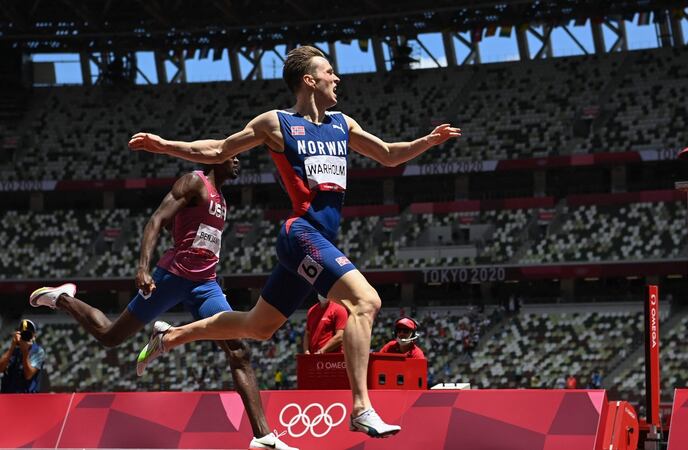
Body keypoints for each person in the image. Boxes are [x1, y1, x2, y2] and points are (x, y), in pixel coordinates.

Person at [128, 44, 460, 439]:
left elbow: (388, 155)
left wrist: (429, 140)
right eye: (329, 72)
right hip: (299, 233)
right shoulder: (276, 123)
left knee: (258, 326)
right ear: (310, 80)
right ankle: (361, 408)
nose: (336, 78)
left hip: (317, 239)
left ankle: (170, 336)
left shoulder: (342, 124)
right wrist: (163, 145)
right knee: (365, 301)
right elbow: (218, 149)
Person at [27, 159, 297, 450]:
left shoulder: (223, 198)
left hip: (206, 285)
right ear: (216, 156)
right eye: (232, 156)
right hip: (171, 277)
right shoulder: (194, 183)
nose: (238, 161)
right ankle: (63, 298)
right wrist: (143, 267)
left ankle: (263, 436)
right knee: (110, 336)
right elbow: (156, 220)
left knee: (238, 351)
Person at [0, 319, 46, 393]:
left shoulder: (38, 351)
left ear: (34, 337)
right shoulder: (13, 351)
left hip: (26, 398)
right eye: (23, 334)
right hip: (8, 396)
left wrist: (25, 351)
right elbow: (0, 368)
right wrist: (12, 347)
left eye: (28, 334)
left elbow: (28, 375)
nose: (25, 337)